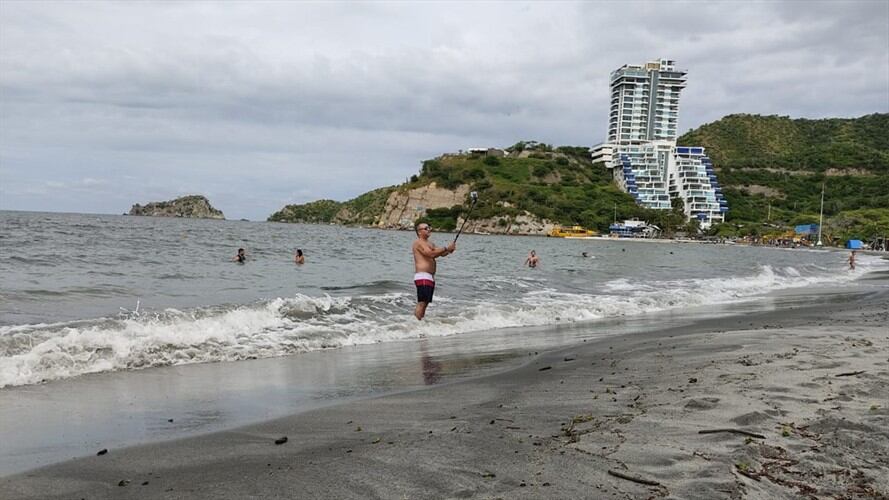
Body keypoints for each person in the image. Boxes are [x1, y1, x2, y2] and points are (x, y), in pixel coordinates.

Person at [412, 222, 456, 320]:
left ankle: (420, 321)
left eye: (429, 227)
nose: (429, 229)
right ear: (419, 232)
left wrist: (449, 250)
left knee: (426, 302)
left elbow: (440, 254)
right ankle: (416, 323)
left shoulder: (430, 243)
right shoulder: (418, 243)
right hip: (422, 276)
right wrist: (445, 248)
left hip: (430, 277)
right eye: (426, 228)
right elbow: (431, 254)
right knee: (422, 302)